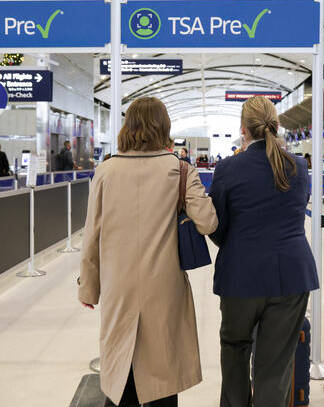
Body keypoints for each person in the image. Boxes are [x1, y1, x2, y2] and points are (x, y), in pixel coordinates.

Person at [77, 97, 218, 407]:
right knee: (162, 369)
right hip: (164, 285)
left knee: (122, 367)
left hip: (118, 285)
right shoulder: (180, 169)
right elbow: (208, 223)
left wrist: (88, 287)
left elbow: (92, 235)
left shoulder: (106, 171)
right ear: (164, 127)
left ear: (128, 126)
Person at [208, 97, 319, 407]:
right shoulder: (297, 166)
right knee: (275, 363)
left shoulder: (228, 168)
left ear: (243, 130)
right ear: (277, 125)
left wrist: (236, 244)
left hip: (240, 276)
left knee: (235, 349)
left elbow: (217, 225)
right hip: (291, 276)